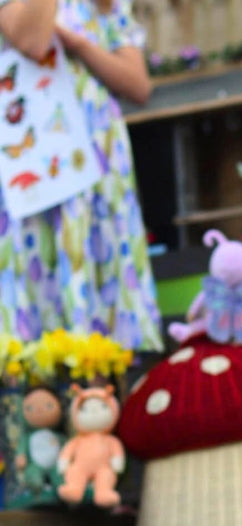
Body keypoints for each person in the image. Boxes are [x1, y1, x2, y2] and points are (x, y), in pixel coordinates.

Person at [0, 0, 161, 349]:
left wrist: (79, 44)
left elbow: (139, 86)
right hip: (32, 163)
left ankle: (103, 372)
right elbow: (31, 40)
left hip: (95, 159)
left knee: (96, 264)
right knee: (35, 267)